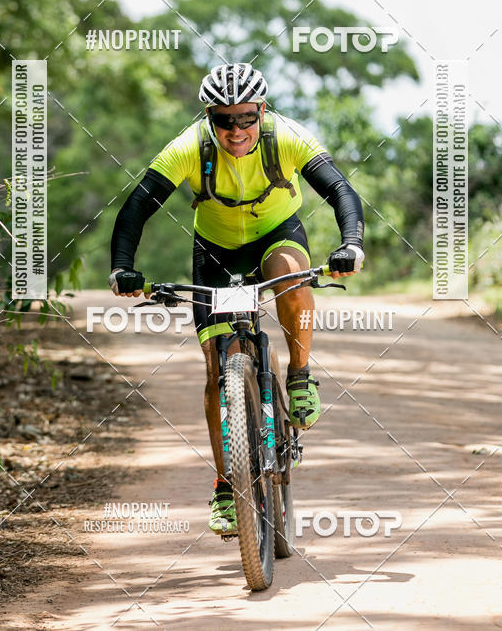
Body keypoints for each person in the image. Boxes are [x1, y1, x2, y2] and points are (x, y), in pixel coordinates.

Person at [109, 62, 364, 535]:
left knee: (290, 275)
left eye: (246, 117)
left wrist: (351, 243)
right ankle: (227, 485)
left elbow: (341, 191)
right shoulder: (190, 146)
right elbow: (136, 207)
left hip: (276, 234)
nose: (235, 129)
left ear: (262, 111)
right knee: (215, 367)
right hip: (215, 249)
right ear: (209, 117)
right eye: (223, 119)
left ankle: (301, 375)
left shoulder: (285, 136)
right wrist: (122, 266)